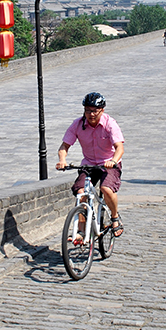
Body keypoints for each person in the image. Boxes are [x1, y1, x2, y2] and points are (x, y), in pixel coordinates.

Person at [56, 92, 125, 238]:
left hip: (108, 164)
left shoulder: (110, 123)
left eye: (94, 111)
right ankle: (81, 231)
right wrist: (62, 160)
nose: (91, 114)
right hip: (89, 164)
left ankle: (114, 217)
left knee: (106, 189)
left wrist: (113, 161)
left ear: (102, 110)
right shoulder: (78, 124)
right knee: (81, 193)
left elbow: (119, 148)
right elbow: (64, 146)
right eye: (88, 110)